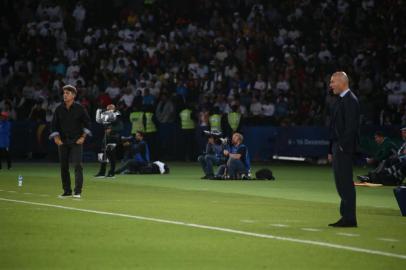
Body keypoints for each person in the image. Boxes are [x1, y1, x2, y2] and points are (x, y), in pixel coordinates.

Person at [328, 72, 360, 227]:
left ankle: (349, 218)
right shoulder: (341, 100)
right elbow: (334, 127)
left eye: (333, 82)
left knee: (345, 183)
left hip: (344, 148)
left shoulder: (350, 101)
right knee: (340, 183)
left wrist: (341, 146)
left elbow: (351, 127)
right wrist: (331, 149)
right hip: (338, 147)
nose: (331, 85)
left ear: (342, 82)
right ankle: (346, 216)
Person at [49, 85, 91, 198]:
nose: (65, 95)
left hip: (77, 141)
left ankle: (77, 191)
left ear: (73, 95)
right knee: (63, 166)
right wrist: (56, 138)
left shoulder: (80, 108)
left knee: (77, 165)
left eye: (67, 93)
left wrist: (83, 137)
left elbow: (88, 124)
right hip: (62, 142)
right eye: (64, 93)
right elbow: (53, 125)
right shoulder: (59, 109)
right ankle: (67, 191)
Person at [94, 104, 123, 178]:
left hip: (113, 138)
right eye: (107, 109)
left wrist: (112, 130)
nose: (108, 110)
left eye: (109, 109)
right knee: (102, 155)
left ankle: (112, 173)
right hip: (106, 138)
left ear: (113, 109)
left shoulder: (117, 116)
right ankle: (101, 172)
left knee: (111, 155)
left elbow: (120, 127)